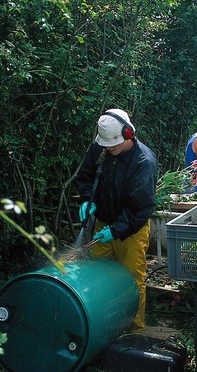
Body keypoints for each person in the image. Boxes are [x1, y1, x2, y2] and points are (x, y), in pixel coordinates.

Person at [76, 108, 158, 331]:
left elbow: (141, 209)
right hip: (103, 224)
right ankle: (104, 324)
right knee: (97, 274)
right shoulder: (101, 148)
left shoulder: (143, 162)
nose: (109, 148)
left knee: (132, 279)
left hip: (131, 229)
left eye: (113, 144)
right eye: (105, 144)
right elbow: (85, 177)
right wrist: (87, 200)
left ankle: (135, 329)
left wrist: (118, 229)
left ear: (128, 134)